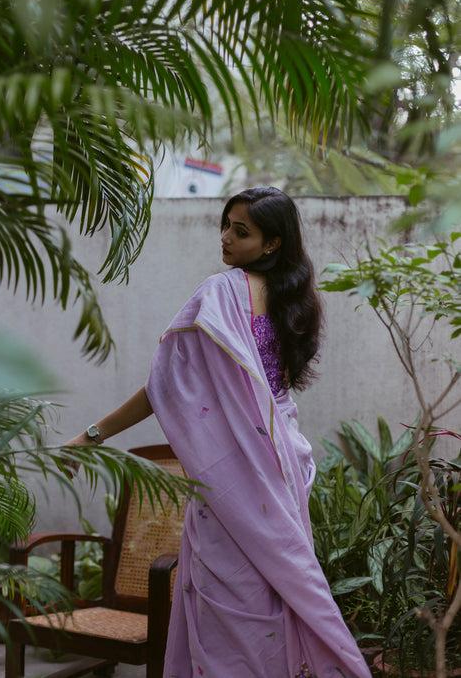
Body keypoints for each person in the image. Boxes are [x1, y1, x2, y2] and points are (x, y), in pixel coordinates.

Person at [66, 187, 372, 678]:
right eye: (225, 225)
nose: (226, 238)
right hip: (282, 471)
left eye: (241, 231)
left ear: (272, 243)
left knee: (229, 607)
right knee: (272, 599)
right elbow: (272, 401)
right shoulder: (297, 304)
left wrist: (92, 434)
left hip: (234, 478)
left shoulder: (221, 293)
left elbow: (161, 387)